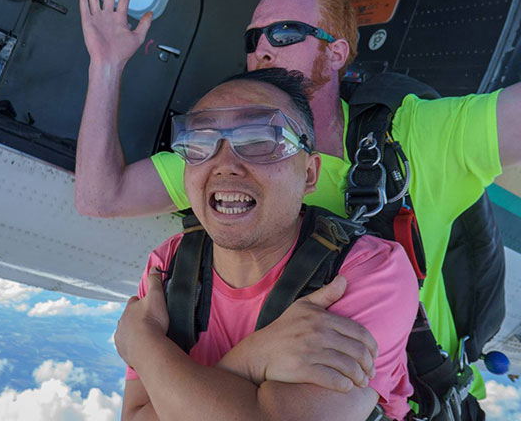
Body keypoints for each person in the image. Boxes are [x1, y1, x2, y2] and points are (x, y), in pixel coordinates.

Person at [75, 0, 521, 397]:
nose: (261, 50)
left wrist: (147, 349)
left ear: (336, 52)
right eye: (253, 38)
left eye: (284, 35)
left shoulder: (418, 136)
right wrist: (107, 64)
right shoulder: (225, 148)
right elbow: (101, 196)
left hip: (413, 399)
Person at [114, 68, 418, 420]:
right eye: (199, 142)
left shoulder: (365, 273)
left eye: (260, 140)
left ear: (309, 175)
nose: (224, 165)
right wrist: (252, 360)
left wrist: (145, 347)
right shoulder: (168, 267)